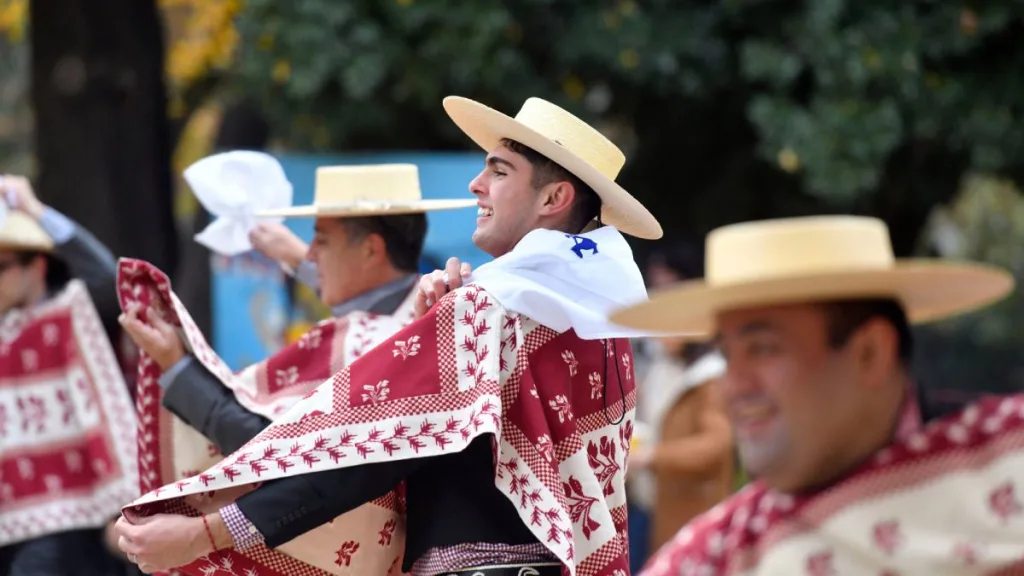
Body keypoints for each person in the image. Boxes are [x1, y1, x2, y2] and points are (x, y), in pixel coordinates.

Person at [113, 96, 662, 576]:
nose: (476, 184)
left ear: (552, 199)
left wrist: (203, 534)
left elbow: (361, 454)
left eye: (498, 170)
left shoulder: (489, 306)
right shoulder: (603, 326)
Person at [608, 215, 1022, 575]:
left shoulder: (1008, 458)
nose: (732, 386)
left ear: (870, 354)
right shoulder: (715, 558)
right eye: (726, 354)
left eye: (763, 348)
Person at [116, 163, 476, 574]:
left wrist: (175, 365)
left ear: (372, 250)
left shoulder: (370, 339)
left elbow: (274, 448)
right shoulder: (427, 316)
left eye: (320, 240)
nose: (307, 254)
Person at [0, 175, 137, 576]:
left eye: (2, 266)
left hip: (71, 517)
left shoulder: (74, 316)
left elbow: (110, 280)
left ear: (36, 265)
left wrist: (36, 210)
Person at [627, 241, 734, 568]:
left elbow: (717, 445)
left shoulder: (710, 373)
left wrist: (649, 457)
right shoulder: (657, 362)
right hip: (647, 503)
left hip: (687, 511)